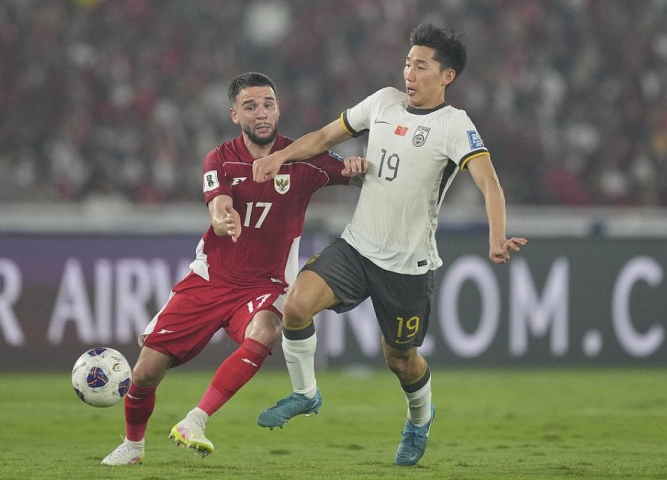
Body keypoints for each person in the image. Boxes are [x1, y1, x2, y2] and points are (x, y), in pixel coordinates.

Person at [252, 24, 528, 467]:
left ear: (447, 76)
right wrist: (280, 156)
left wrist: (496, 235)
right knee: (297, 305)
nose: (409, 74)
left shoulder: (453, 125)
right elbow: (324, 137)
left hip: (407, 265)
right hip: (357, 247)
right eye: (407, 63)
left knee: (400, 359)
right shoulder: (382, 102)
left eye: (421, 67)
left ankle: (419, 419)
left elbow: (488, 181)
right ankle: (305, 393)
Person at [101, 72, 366, 465]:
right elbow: (218, 205)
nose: (261, 113)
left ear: (278, 109)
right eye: (250, 106)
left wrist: (360, 167)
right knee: (144, 374)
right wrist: (223, 219)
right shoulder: (220, 159)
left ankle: (195, 420)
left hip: (265, 283)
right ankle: (133, 446)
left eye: (268, 104)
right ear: (235, 115)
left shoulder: (304, 159)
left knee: (267, 328)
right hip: (211, 278)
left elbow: (363, 176)